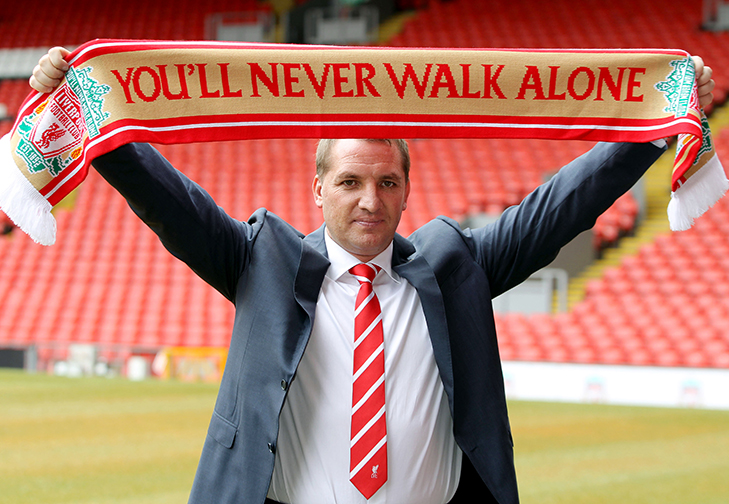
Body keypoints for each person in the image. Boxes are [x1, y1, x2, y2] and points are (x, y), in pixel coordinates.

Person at [31, 48, 715, 504]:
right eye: (351, 181)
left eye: (387, 181)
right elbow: (170, 202)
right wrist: (91, 109)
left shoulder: (454, 265)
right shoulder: (258, 259)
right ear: (317, 189)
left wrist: (657, 123)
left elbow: (557, 206)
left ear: (406, 191)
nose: (369, 199)